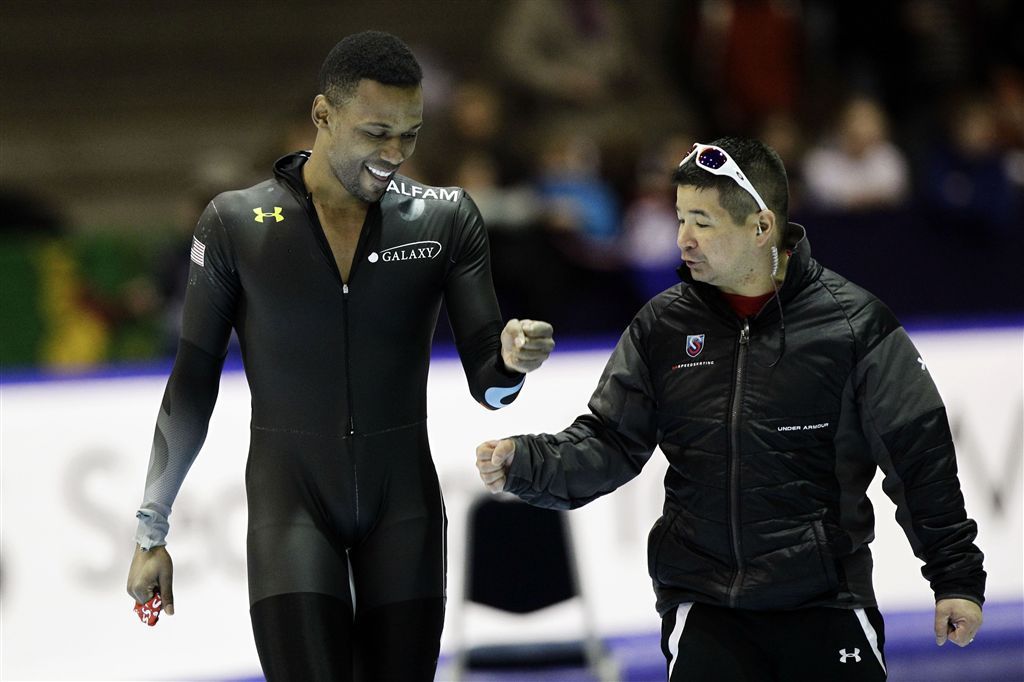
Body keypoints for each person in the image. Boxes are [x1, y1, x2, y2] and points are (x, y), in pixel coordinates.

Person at [125, 31, 555, 682]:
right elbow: (192, 384)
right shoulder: (236, 224)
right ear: (323, 115)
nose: (394, 155)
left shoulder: (445, 219)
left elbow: (489, 389)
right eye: (376, 132)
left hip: (403, 506)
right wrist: (151, 532)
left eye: (409, 135)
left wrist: (513, 366)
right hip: (289, 506)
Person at [476, 137, 985, 681]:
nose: (683, 240)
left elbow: (920, 456)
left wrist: (954, 578)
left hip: (828, 602)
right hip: (705, 607)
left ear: (761, 227)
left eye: (703, 221)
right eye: (680, 218)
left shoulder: (855, 326)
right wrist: (525, 461)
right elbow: (609, 442)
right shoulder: (662, 327)